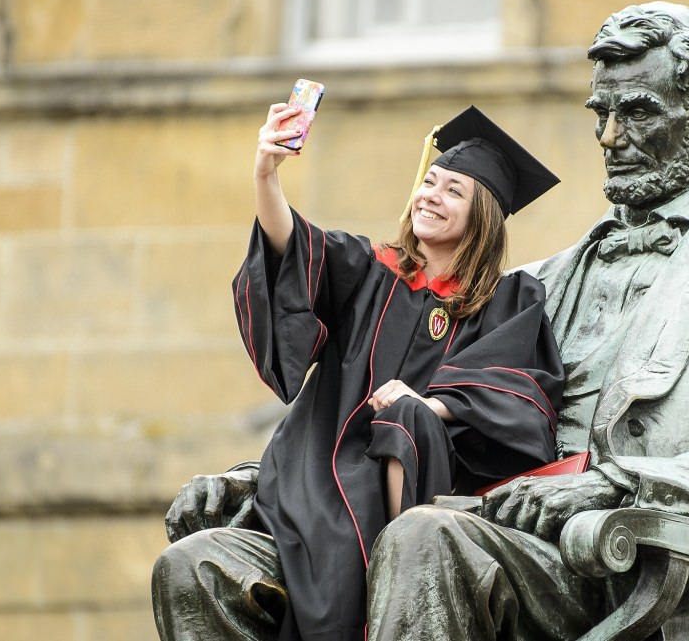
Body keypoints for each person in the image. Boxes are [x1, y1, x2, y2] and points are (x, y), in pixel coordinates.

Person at [366, 2, 689, 641]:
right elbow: (413, 395)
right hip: (487, 532)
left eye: (639, 112)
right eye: (602, 114)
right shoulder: (535, 284)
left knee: (425, 539)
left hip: (635, 577)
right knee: (207, 567)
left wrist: (610, 487)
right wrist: (265, 480)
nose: (611, 138)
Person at [151, 105, 565, 641]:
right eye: (430, 182)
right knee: (191, 563)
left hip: (428, 487)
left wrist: (426, 402)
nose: (430, 195)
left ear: (483, 214)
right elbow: (292, 246)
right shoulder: (372, 270)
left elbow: (518, 392)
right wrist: (266, 173)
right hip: (320, 476)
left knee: (408, 420)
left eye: (453, 191)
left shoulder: (509, 300)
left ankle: (395, 579)